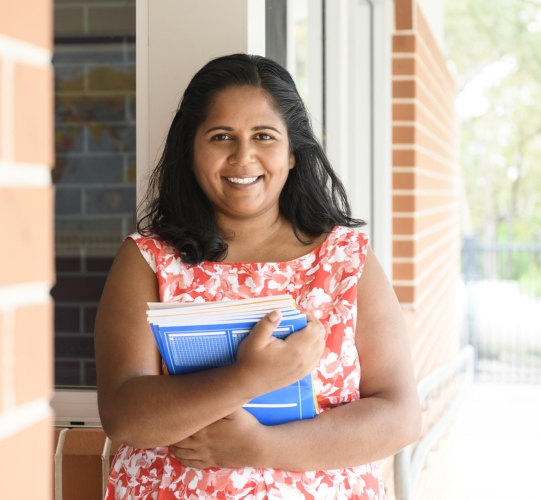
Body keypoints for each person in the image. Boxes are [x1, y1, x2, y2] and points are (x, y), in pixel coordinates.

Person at [94, 54, 421, 500]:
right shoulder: (148, 260)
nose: (242, 156)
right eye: (221, 136)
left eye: (263, 136)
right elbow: (125, 417)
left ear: (291, 153)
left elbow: (400, 416)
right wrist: (249, 379)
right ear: (191, 150)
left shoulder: (345, 260)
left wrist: (260, 447)